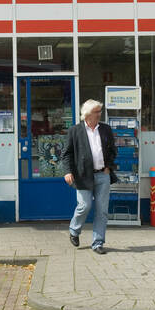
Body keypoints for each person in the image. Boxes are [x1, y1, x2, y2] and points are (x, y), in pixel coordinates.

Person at [62, 99, 117, 254]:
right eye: (96, 112)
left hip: (102, 175)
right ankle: (74, 230)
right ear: (87, 114)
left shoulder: (105, 129)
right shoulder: (75, 130)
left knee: (102, 210)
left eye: (100, 111)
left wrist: (108, 166)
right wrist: (67, 171)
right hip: (82, 176)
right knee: (84, 205)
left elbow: (113, 150)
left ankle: (98, 243)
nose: (99, 114)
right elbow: (67, 154)